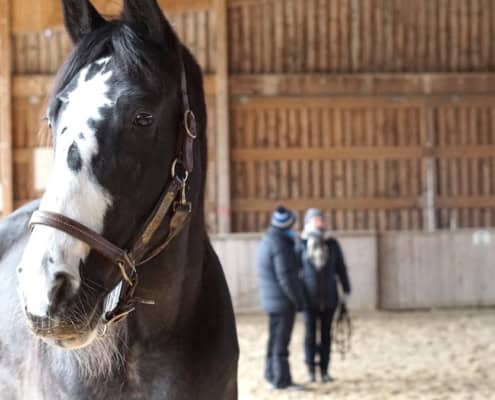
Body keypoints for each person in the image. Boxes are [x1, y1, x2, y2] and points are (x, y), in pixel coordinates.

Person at [298, 208, 351, 383]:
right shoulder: (301, 243)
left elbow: (340, 268)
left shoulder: (332, 244)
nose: (321, 222)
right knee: (310, 335)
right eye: (317, 219)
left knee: (326, 335)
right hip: (308, 298)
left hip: (329, 298)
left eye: (322, 219)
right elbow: (295, 270)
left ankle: (325, 370)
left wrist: (346, 288)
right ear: (309, 222)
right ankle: (311, 371)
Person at [256, 206, 305, 390]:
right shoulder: (280, 243)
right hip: (282, 301)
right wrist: (298, 301)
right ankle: (281, 380)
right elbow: (286, 277)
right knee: (281, 343)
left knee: (274, 340)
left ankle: (271, 375)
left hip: (272, 300)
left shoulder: (270, 238)